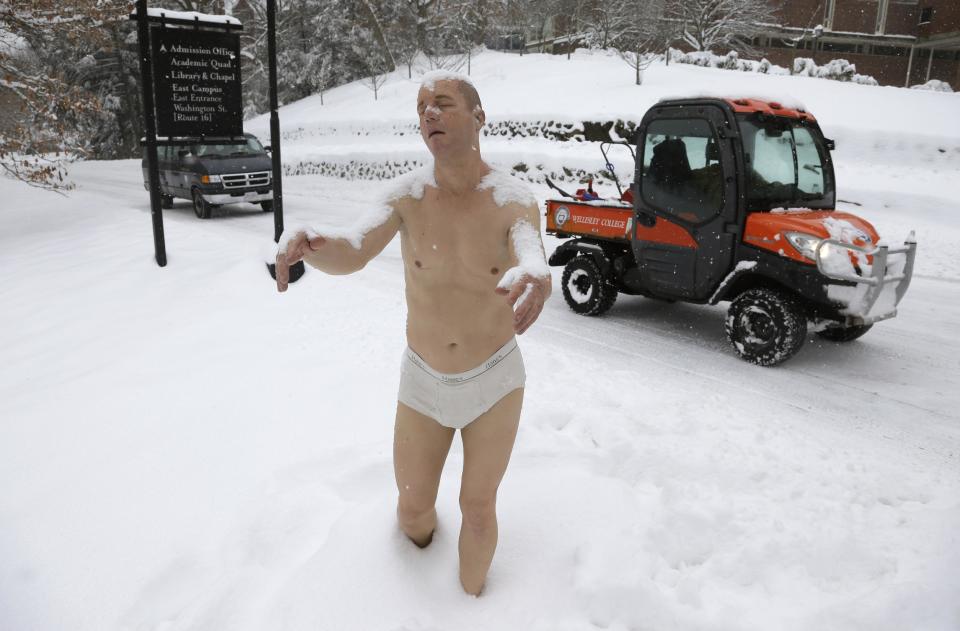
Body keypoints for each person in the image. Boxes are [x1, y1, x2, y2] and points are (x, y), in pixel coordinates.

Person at [274, 70, 552, 596]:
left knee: (477, 507)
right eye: (422, 107)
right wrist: (313, 242)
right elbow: (354, 247)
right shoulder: (406, 196)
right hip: (423, 381)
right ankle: (411, 580)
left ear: (478, 117)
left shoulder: (513, 200)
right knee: (412, 509)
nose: (429, 114)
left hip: (493, 379)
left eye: (443, 103)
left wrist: (538, 275)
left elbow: (530, 252)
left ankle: (472, 608)